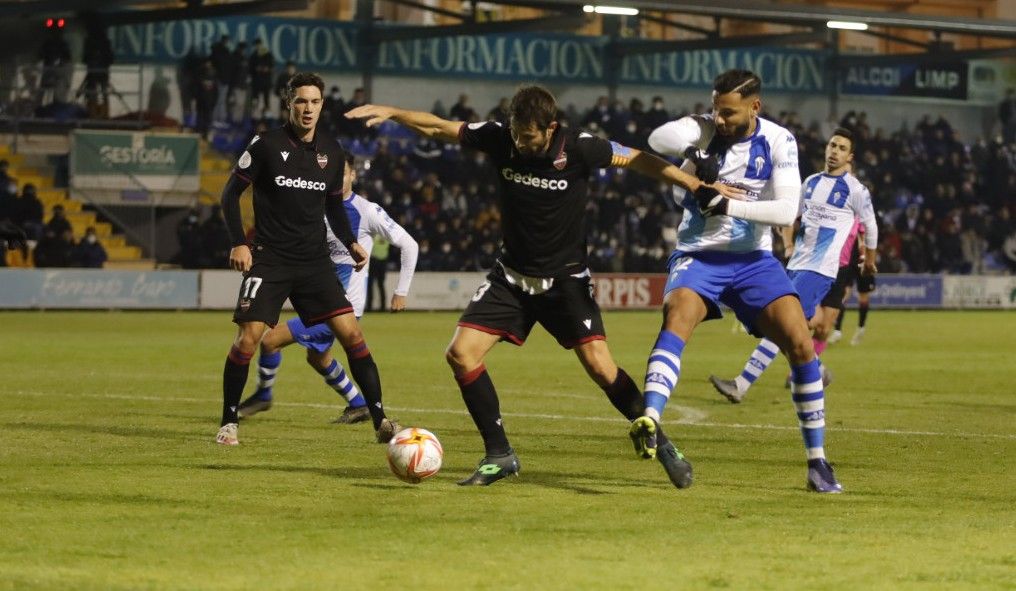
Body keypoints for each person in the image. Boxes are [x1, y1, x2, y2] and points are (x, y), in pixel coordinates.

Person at [347, 84, 737, 487]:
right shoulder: (502, 138)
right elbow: (440, 129)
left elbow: (639, 160)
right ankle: (499, 454)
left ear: (550, 128)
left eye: (528, 136)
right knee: (461, 354)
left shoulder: (583, 148)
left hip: (565, 282)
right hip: (511, 278)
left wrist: (693, 185)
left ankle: (665, 445)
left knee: (602, 369)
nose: (520, 142)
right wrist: (394, 111)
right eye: (516, 133)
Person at [631, 69, 843, 493]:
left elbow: (785, 211)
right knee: (678, 315)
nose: (720, 118)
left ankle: (817, 462)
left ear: (755, 107)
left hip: (753, 261)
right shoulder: (706, 130)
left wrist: (725, 205)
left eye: (729, 112)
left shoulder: (779, 140)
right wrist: (697, 151)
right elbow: (657, 139)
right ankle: (650, 420)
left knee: (800, 342)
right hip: (698, 256)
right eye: (716, 109)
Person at [215, 71, 399, 446]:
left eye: (315, 102)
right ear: (289, 103)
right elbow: (229, 195)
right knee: (248, 340)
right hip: (270, 258)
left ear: (322, 106)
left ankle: (380, 419)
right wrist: (239, 243)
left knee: (353, 334)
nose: (308, 108)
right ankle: (228, 422)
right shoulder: (265, 145)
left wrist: (350, 243)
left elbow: (333, 206)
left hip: (314, 263)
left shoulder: (331, 152)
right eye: (301, 101)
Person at [236, 153, 418, 423]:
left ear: (353, 176)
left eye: (343, 173)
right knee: (319, 358)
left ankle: (264, 395)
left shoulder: (367, 211)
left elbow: (410, 244)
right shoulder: (316, 206)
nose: (337, 178)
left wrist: (401, 291)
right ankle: (359, 404)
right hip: (320, 298)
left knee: (271, 340)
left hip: (342, 307)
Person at [708, 128, 878, 403]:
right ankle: (818, 370)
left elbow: (870, 226)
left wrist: (868, 261)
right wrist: (788, 245)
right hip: (796, 265)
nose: (834, 151)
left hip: (820, 269)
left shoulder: (856, 190)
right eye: (832, 145)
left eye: (842, 148)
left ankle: (741, 384)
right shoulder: (809, 183)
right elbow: (789, 216)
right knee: (787, 328)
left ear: (850, 156)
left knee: (782, 325)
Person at [828, 226, 877, 346]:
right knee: (844, 293)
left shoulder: (866, 214)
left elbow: (871, 234)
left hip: (863, 259)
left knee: (863, 296)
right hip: (849, 257)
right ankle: (837, 330)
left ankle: (860, 328)